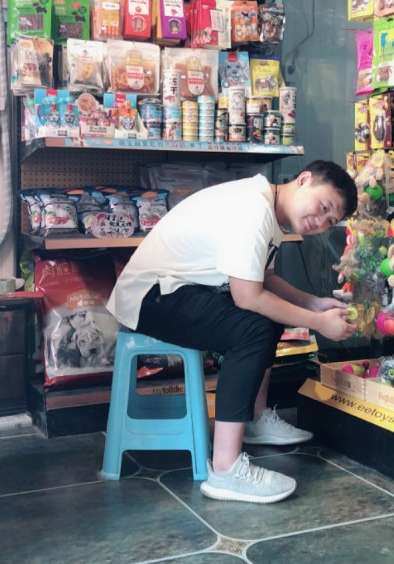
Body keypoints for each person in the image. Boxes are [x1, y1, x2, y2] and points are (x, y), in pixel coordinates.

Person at [107, 160, 358, 504]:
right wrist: (318, 323)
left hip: (179, 289)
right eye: (324, 206)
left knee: (268, 318)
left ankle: (254, 419)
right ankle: (225, 470)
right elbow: (248, 297)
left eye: (330, 221)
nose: (320, 221)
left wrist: (313, 303)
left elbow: (264, 279)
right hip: (151, 295)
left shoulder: (269, 211)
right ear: (304, 180)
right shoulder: (253, 209)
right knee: (252, 328)